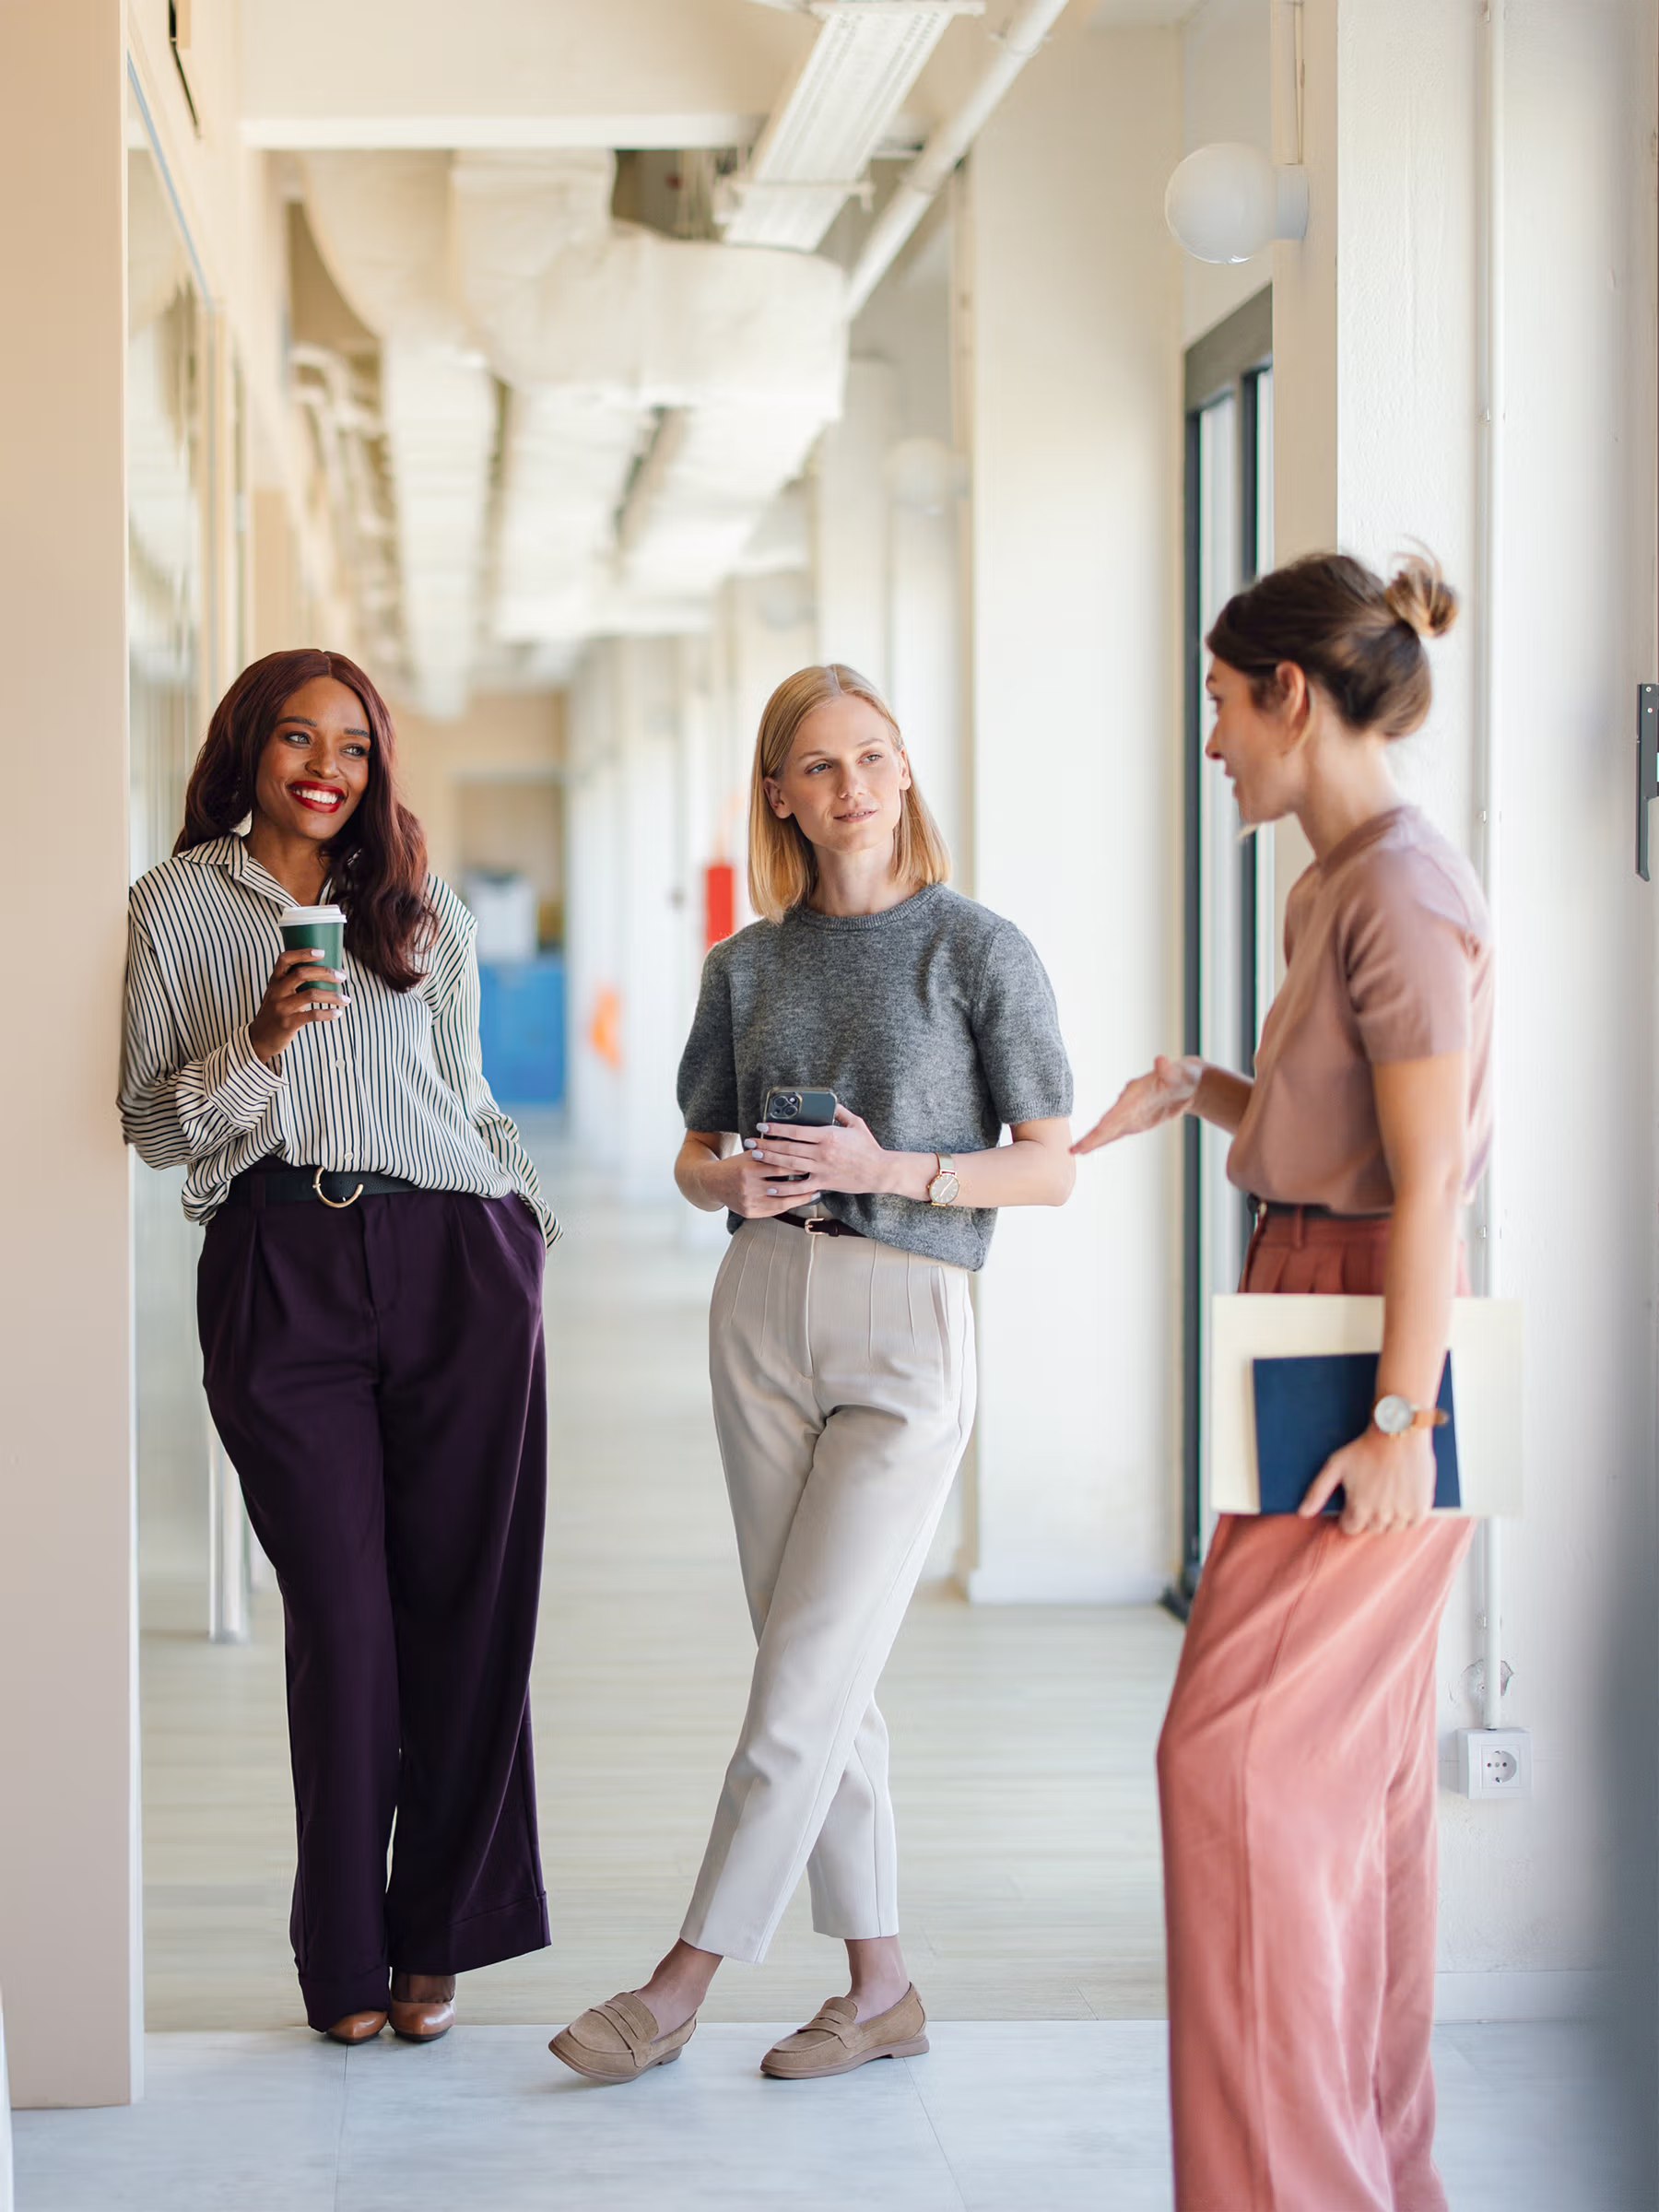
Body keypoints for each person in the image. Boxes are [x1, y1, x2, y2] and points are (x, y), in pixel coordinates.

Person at [550, 663, 1076, 2085]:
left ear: (906, 775)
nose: (853, 785)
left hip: (912, 1316)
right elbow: (689, 1152)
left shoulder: (977, 950)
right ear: (778, 791)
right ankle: (881, 1986)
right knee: (816, 1663)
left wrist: (886, 1168)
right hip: (762, 1306)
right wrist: (734, 1180)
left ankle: (681, 1981)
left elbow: (1051, 1165)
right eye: (821, 764)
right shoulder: (746, 963)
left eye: (877, 757)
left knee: (802, 1674)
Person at [1076, 552, 1490, 2210]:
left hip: (1371, 1344)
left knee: (1232, 1769)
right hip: (1316, 1309)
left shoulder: (1399, 886)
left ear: (1290, 698)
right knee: (1351, 1790)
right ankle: (1366, 2177)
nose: (1211, 744)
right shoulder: (1336, 886)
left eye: (1220, 705)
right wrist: (1198, 1089)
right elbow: (1324, 1143)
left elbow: (1430, 1182)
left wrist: (1401, 1420)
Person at [120, 649, 558, 2047]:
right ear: (247, 749)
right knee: (345, 1618)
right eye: (299, 738)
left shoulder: (417, 908)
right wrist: (256, 1044)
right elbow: (148, 1126)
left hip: (455, 1261)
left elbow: (468, 1092)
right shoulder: (175, 906)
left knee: (463, 1608)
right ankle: (342, 1952)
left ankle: (433, 1938)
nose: (329, 765)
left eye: (355, 745)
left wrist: (523, 1232)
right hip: (278, 1262)